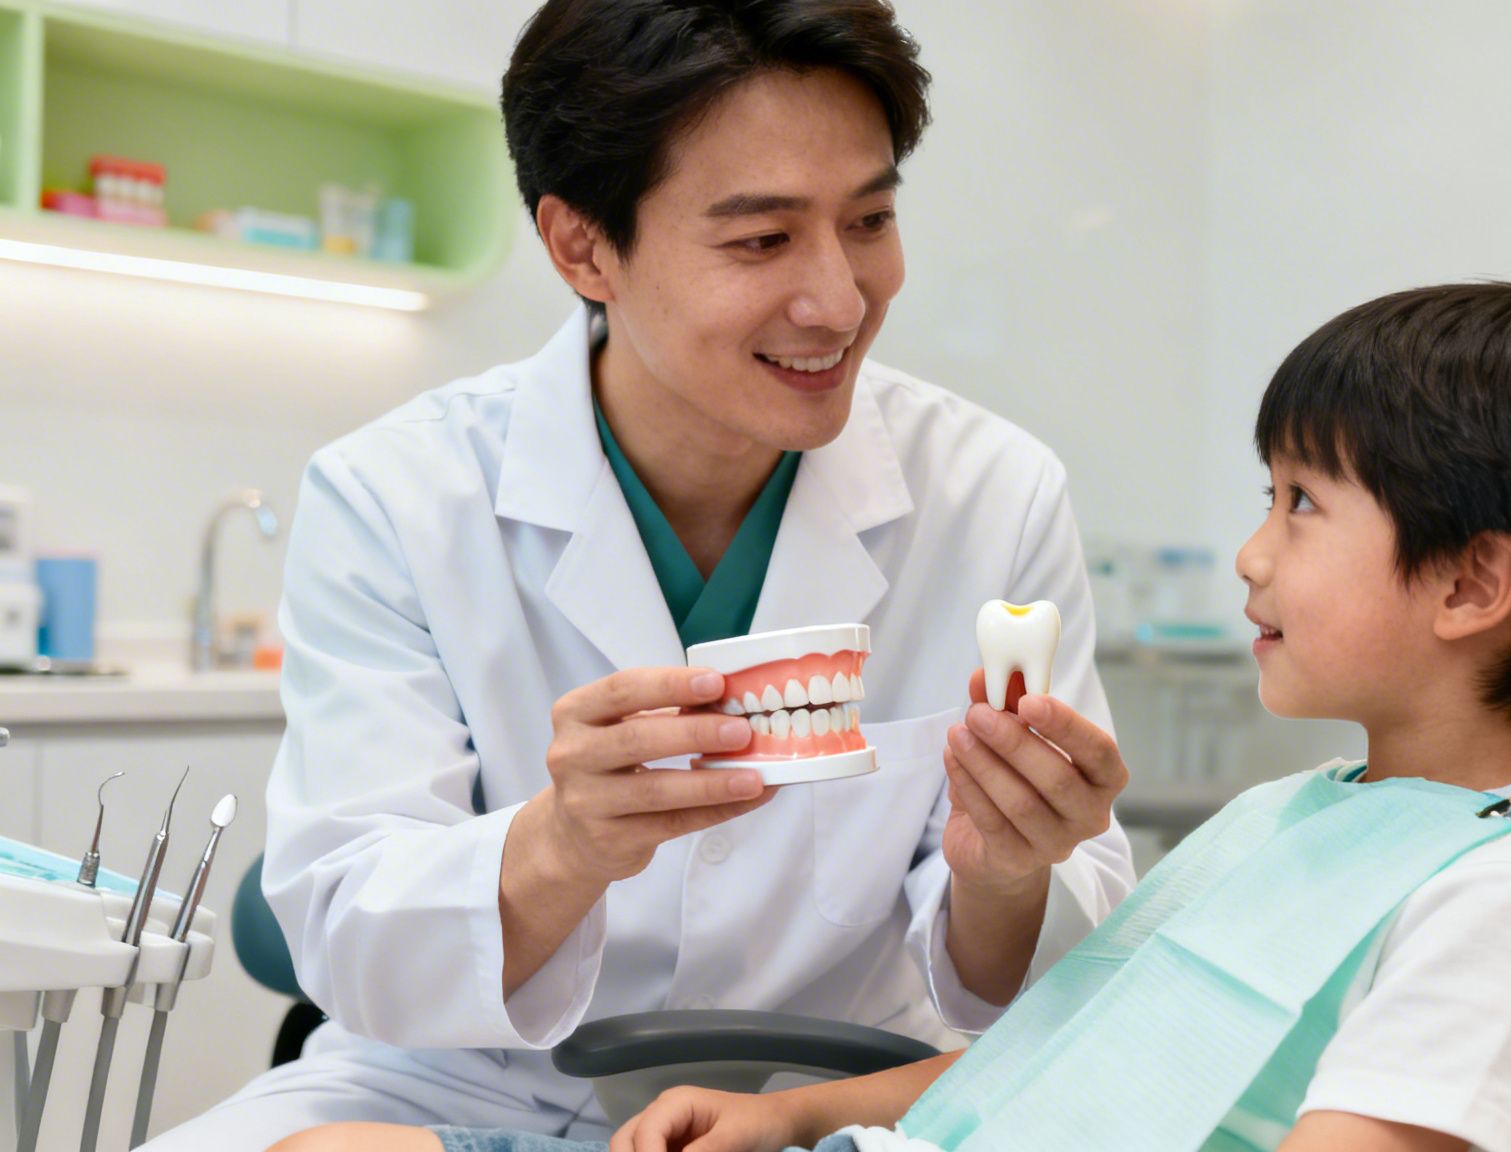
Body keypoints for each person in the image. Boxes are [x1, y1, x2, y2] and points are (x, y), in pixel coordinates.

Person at [275, 280, 1511, 1152]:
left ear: (1472, 581)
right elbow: (1086, 1041)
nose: (1251, 552)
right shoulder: (1294, 816)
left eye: (1301, 503)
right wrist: (794, 1113)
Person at [142, 2, 1138, 1148]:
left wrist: (1007, 871)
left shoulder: (994, 492)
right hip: (460, 1095)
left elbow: (1059, 970)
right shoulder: (396, 495)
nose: (839, 300)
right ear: (581, 247)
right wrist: (562, 845)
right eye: (761, 240)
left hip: (834, 1096)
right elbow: (346, 930)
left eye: (867, 220)